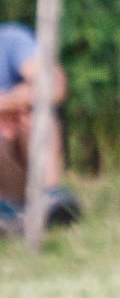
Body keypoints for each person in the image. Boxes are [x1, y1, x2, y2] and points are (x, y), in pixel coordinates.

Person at [0, 21, 81, 235]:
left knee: (37, 118)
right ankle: (11, 214)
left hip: (20, 156)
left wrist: (15, 104)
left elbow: (54, 85)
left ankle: (50, 199)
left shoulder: (10, 39)